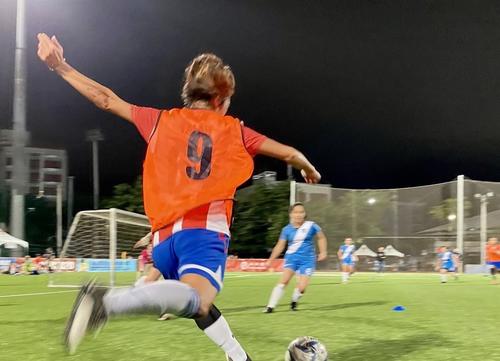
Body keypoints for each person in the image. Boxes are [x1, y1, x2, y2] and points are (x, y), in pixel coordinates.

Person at [37, 33, 321, 360]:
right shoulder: (234, 130)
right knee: (197, 299)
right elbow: (289, 154)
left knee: (199, 306)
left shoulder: (160, 120)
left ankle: (237, 356)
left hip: (163, 243)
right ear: (221, 99)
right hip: (202, 231)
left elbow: (105, 99)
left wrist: (59, 65)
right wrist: (306, 166)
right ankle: (105, 302)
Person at [264, 202, 327, 312]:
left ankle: (294, 301)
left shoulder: (312, 226)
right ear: (291, 214)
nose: (298, 215)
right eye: (296, 212)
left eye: (301, 212)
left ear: (305, 214)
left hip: (308, 260)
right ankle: (270, 306)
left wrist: (323, 251)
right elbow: (280, 245)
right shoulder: (286, 229)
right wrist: (271, 259)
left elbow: (321, 238)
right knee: (284, 280)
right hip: (292, 258)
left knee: (302, 288)